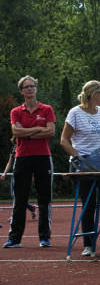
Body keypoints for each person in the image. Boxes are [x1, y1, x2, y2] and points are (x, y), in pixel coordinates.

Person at [60, 80, 100, 256]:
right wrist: (77, 156)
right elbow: (64, 140)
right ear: (94, 94)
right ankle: (88, 244)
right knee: (89, 204)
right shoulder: (75, 113)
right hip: (84, 164)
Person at [4, 76, 55, 248]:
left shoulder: (47, 109)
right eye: (26, 87)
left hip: (43, 157)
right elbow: (16, 132)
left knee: (44, 198)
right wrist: (37, 130)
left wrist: (26, 132)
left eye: (32, 86)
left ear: (36, 88)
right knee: (19, 198)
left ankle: (44, 237)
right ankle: (15, 238)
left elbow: (50, 132)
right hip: (22, 157)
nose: (30, 89)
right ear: (21, 91)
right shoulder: (16, 111)